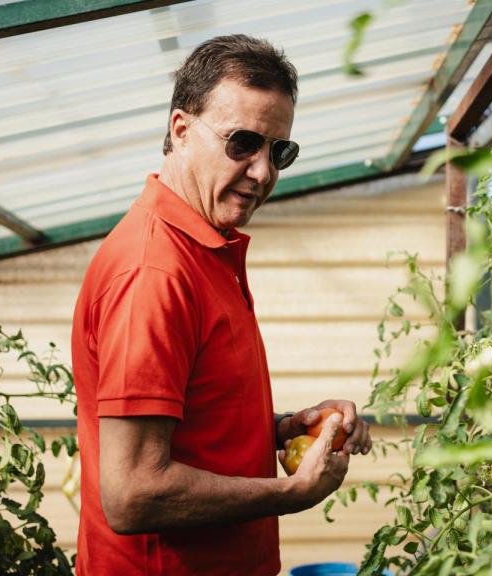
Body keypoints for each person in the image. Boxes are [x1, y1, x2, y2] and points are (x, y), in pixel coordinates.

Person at [70, 34, 373, 575]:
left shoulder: (203, 246)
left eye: (278, 150)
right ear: (181, 131)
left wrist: (285, 428)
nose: (263, 172)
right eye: (242, 143)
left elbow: (196, 422)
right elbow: (133, 493)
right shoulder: (154, 274)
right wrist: (290, 492)